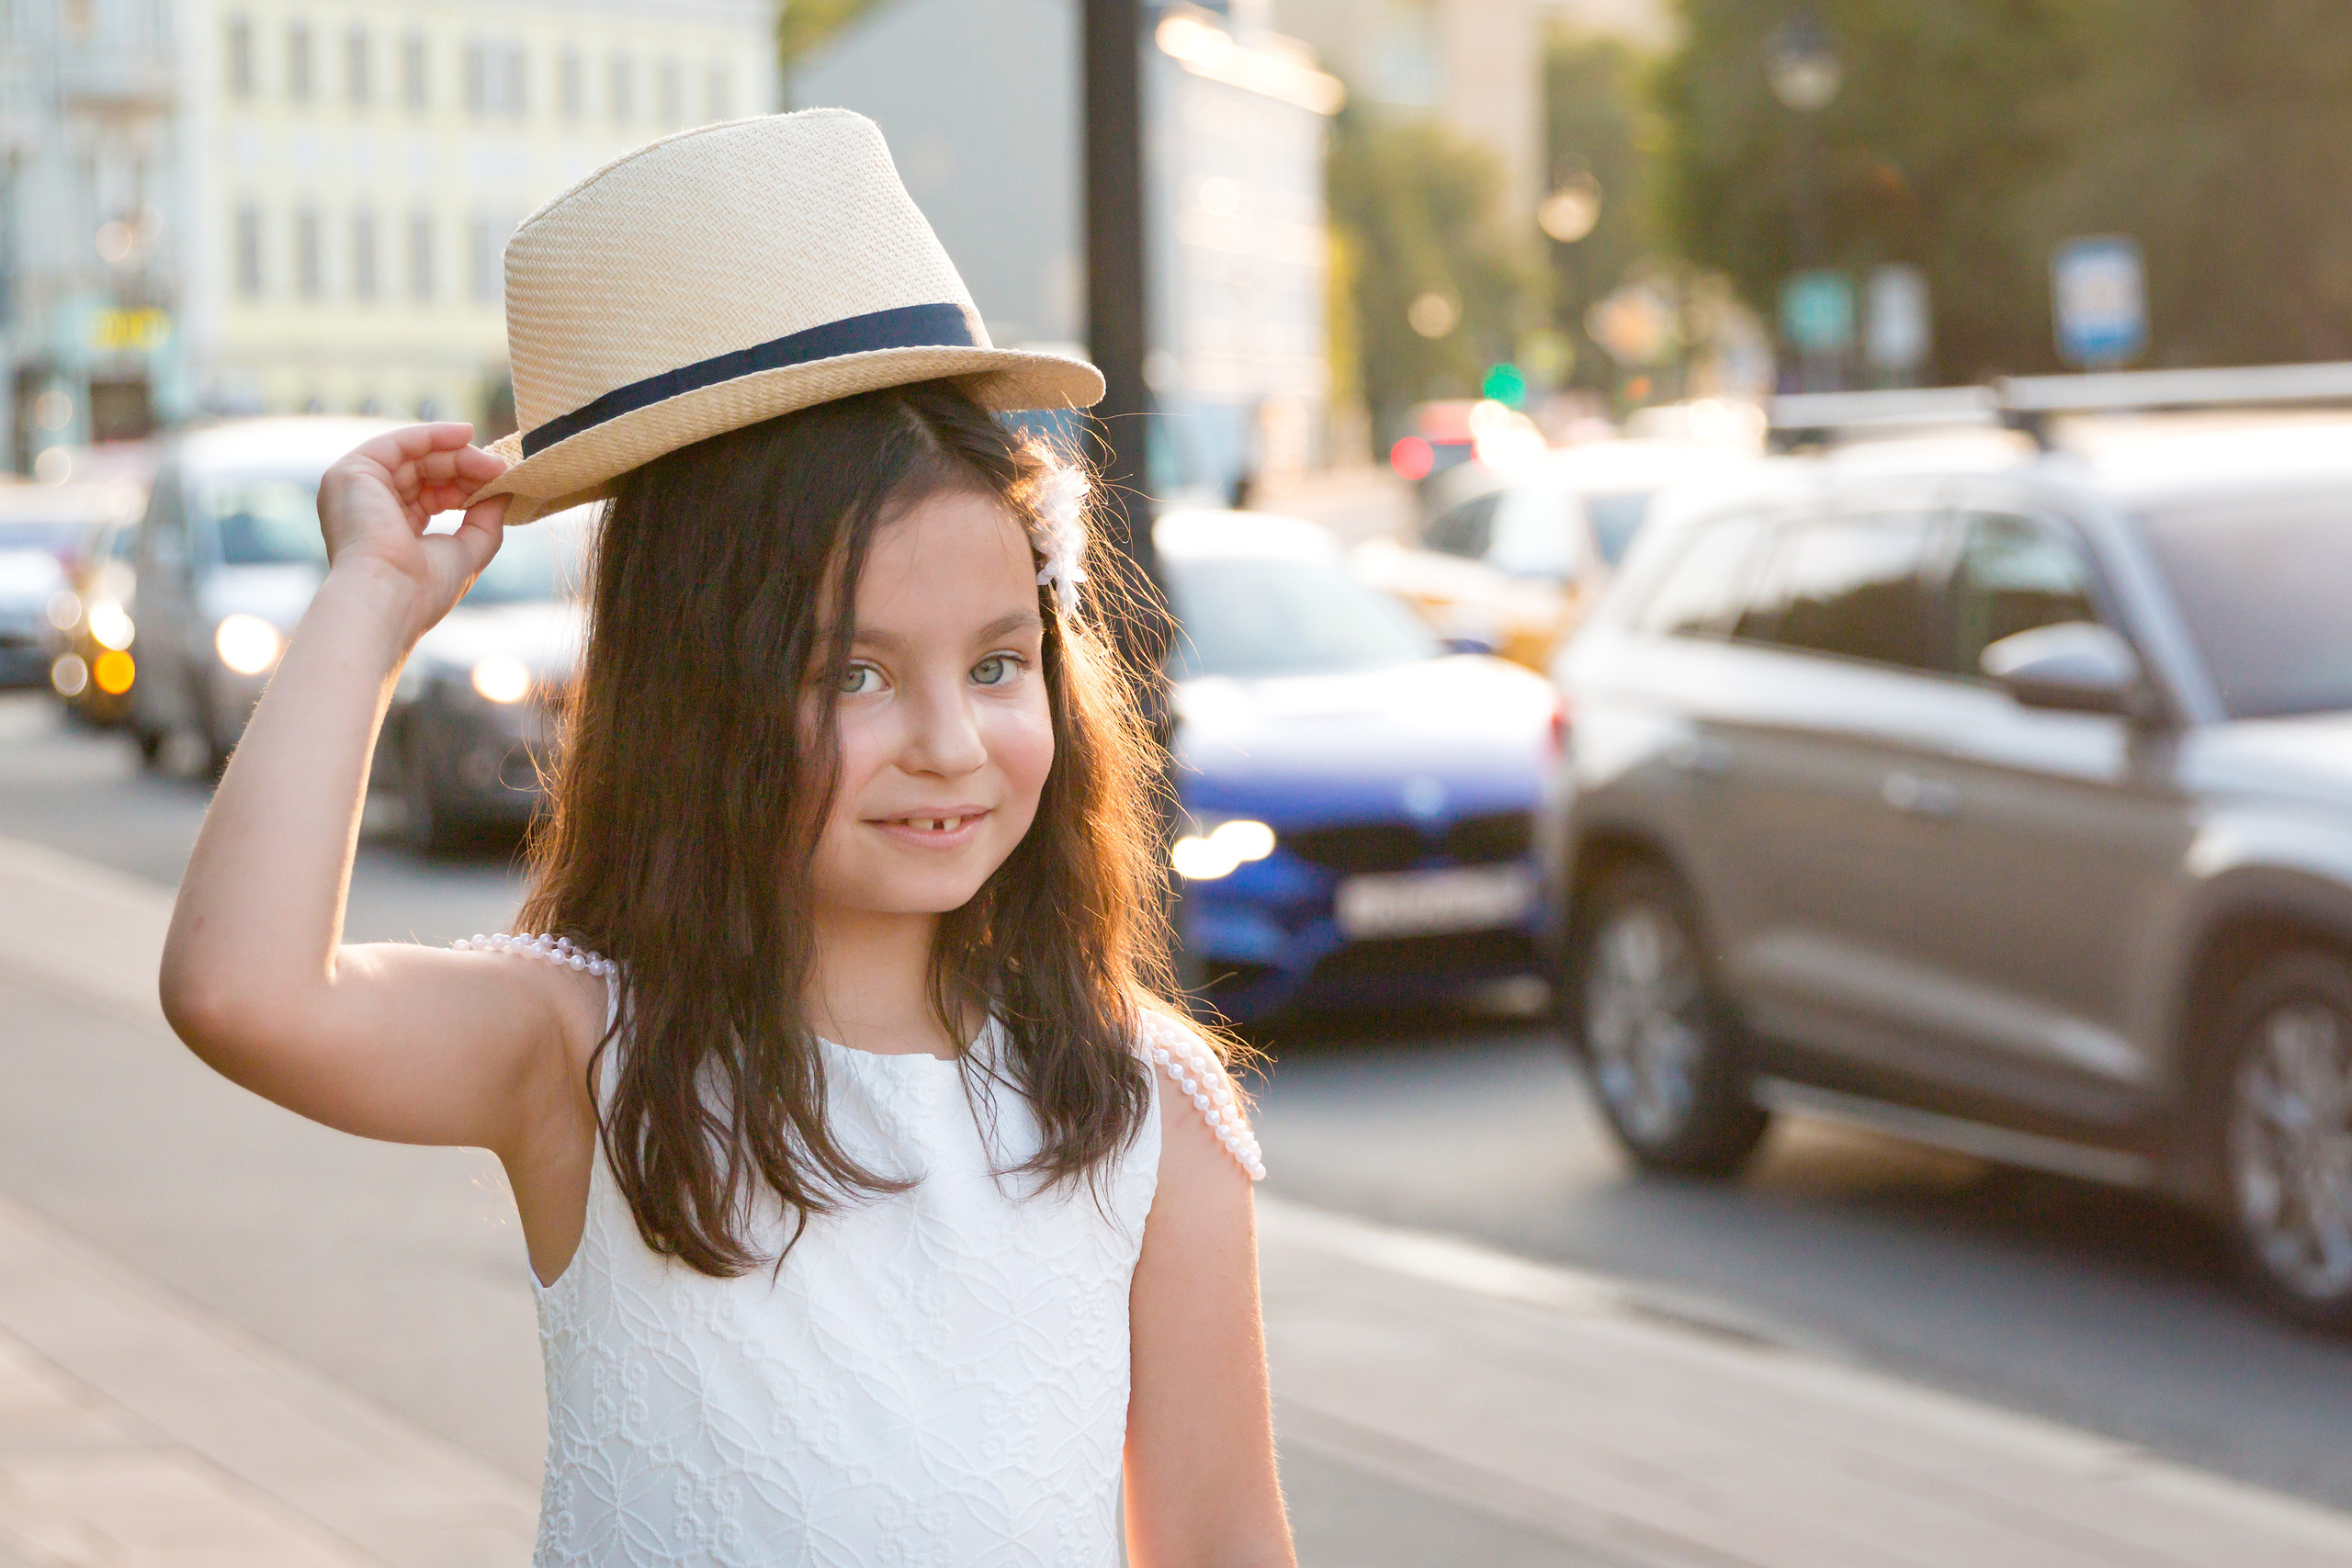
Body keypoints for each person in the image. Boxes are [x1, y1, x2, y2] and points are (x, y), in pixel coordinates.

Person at [159, 110, 1293, 1566]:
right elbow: (237, 992)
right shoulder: (585, 1047)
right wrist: (371, 602)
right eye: (854, 675)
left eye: (999, 664)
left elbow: (1221, 1543)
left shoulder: (1145, 1107)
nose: (950, 741)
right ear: (697, 701)